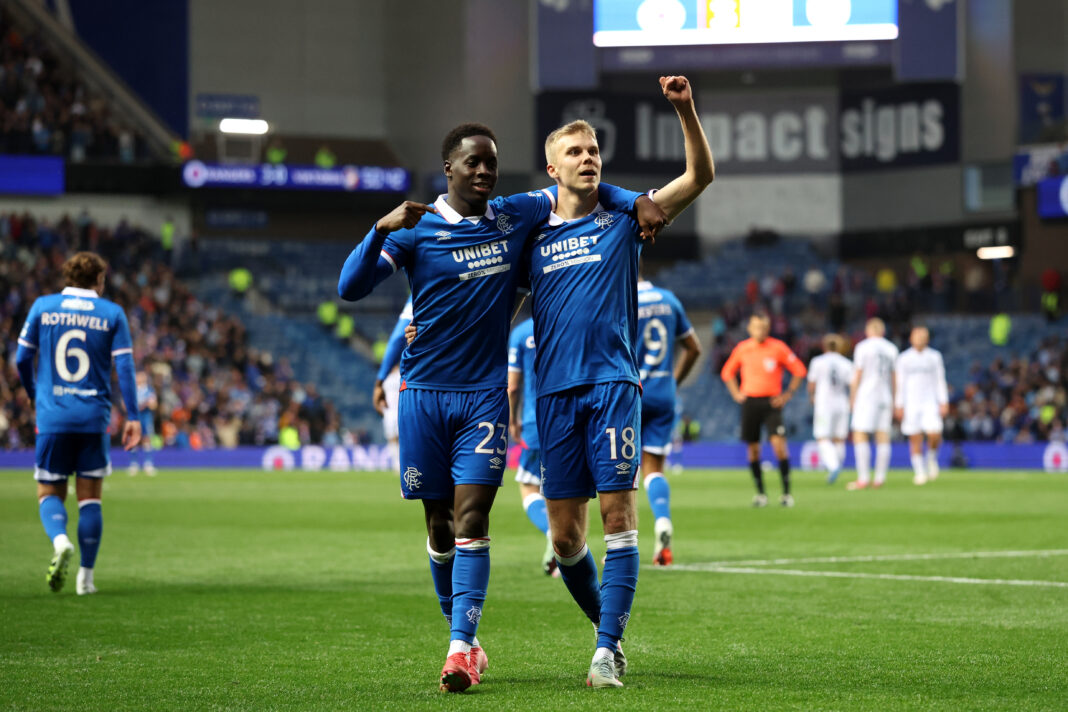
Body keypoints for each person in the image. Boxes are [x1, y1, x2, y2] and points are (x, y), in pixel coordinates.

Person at [337, 122, 663, 693]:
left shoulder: (516, 216)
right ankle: (464, 636)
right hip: (422, 395)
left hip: (484, 397)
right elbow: (351, 286)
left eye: (491, 162)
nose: (485, 171)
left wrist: (635, 199)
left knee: (472, 520)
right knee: (439, 528)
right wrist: (378, 229)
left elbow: (586, 186)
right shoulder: (416, 230)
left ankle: (460, 648)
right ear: (449, 170)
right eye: (473, 163)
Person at [530, 75, 713, 688]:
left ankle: (606, 652)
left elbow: (699, 178)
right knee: (564, 538)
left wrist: (685, 110)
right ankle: (610, 631)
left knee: (617, 518)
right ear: (551, 168)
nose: (589, 159)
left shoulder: (623, 221)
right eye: (575, 153)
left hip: (613, 385)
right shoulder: (530, 233)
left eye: (594, 152)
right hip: (552, 394)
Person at [15, 252, 142, 595]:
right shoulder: (112, 313)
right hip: (92, 418)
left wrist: (31, 392)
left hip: (53, 416)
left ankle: (60, 542)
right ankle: (85, 579)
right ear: (99, 280)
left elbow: (22, 357)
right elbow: (126, 369)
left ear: (68, 277)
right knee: (90, 500)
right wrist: (134, 415)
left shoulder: (43, 307)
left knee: (48, 491)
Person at [635, 277, 701, 566]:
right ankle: (662, 522)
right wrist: (673, 382)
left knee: (620, 469)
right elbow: (694, 348)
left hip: (629, 392)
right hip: (663, 393)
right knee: (653, 468)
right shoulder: (668, 299)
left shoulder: (618, 297)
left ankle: (622, 545)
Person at [721, 314, 807, 507]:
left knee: (779, 446)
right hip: (750, 402)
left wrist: (787, 394)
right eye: (756, 327)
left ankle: (786, 494)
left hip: (772, 404)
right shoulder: (743, 348)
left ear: (768, 329)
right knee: (753, 450)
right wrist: (736, 393)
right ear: (750, 329)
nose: (759, 330)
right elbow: (727, 372)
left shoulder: (778, 348)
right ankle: (761, 494)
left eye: (763, 327)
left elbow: (799, 370)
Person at [506, 316, 556, 575]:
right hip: (567, 419)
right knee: (563, 489)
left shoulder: (521, 333)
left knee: (529, 487)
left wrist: (513, 419)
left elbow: (513, 387)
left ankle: (553, 533)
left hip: (534, 422)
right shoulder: (564, 321)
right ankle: (573, 552)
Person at [848, 318, 899, 489]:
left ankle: (863, 478)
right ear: (883, 332)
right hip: (885, 396)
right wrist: (895, 398)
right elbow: (894, 377)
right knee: (882, 435)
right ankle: (879, 478)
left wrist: (853, 397)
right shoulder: (891, 348)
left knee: (860, 434)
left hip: (866, 396)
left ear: (868, 331)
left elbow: (858, 374)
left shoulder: (863, 347)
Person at [895, 326, 949, 485]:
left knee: (934, 434)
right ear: (911, 338)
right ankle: (919, 471)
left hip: (930, 402)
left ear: (927, 339)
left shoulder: (934, 357)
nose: (919, 339)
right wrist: (899, 404)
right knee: (915, 437)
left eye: (922, 336)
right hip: (911, 402)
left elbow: (940, 379)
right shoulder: (904, 358)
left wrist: (943, 401)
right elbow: (900, 383)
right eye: (916, 336)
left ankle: (931, 458)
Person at [807, 334, 854, 485]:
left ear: (824, 346)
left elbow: (812, 383)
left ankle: (833, 466)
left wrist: (812, 396)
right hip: (841, 403)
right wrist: (852, 400)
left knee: (822, 437)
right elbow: (853, 384)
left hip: (824, 403)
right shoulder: (846, 363)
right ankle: (838, 466)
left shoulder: (817, 362)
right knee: (839, 439)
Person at [373, 297, 412, 471]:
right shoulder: (392, 377)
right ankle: (398, 463)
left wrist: (378, 382)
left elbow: (398, 337)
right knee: (392, 437)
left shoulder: (398, 375)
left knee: (403, 437)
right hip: (390, 410)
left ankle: (406, 464)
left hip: (401, 409)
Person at [129, 370, 158, 476]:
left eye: (141, 376)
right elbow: (125, 404)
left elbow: (154, 405)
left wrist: (149, 404)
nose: (139, 379)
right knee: (134, 439)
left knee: (147, 439)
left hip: (146, 418)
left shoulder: (149, 390)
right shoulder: (132, 390)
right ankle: (133, 464)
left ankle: (148, 464)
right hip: (135, 418)